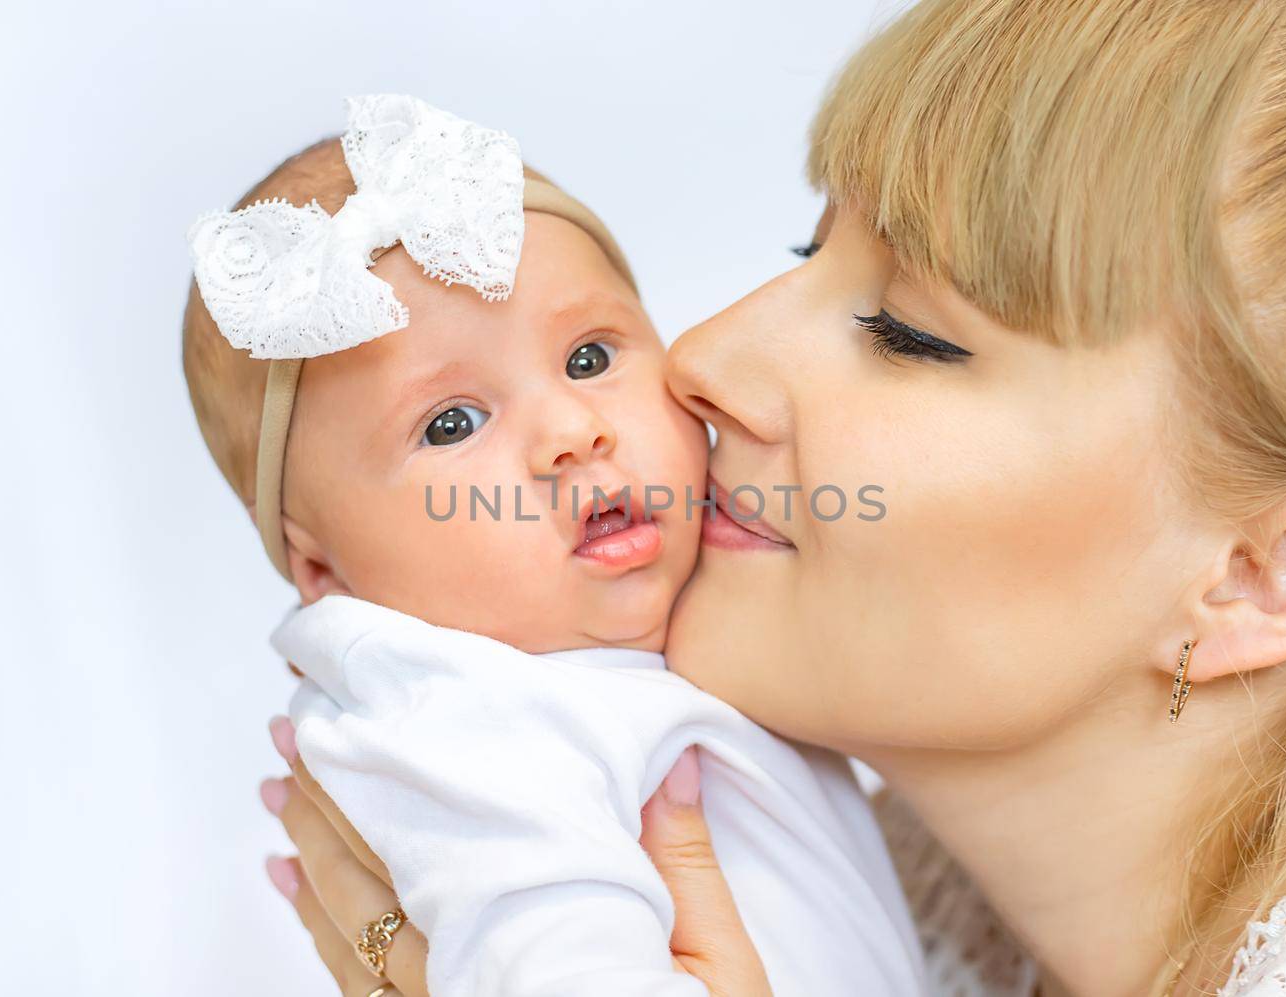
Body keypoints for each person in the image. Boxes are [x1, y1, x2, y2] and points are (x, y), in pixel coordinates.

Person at [261, 2, 1286, 994]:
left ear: (1266, 571)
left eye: (906, 333)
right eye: (802, 252)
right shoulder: (865, 912)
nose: (701, 358)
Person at [185, 96, 925, 996]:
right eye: (452, 422)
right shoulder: (465, 729)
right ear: (324, 571)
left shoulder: (707, 632)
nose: (571, 431)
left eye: (589, 358)